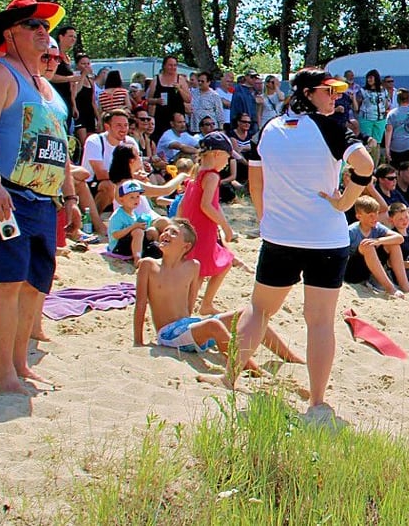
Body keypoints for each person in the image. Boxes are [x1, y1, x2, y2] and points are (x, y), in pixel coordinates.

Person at [229, 68, 373, 425]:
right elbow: (366, 165)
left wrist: (265, 218)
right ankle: (317, 402)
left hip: (281, 236)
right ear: (308, 93)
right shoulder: (330, 127)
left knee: (260, 310)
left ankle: (227, 378)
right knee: (320, 321)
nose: (335, 97)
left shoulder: (271, 128)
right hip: (326, 236)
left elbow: (255, 179)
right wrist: (344, 202)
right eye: (329, 91)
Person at [0, 0, 78, 394]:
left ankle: (21, 364)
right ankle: (5, 375)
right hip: (8, 192)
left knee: (35, 284)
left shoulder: (47, 88)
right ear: (9, 32)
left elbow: (59, 147)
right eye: (32, 25)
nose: (42, 32)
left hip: (43, 200)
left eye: (45, 26)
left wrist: (69, 197)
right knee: (9, 282)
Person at [133, 220, 298, 369]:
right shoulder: (149, 265)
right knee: (214, 325)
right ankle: (252, 369)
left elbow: (189, 306)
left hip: (190, 328)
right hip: (168, 334)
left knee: (249, 314)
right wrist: (138, 342)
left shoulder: (192, 266)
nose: (166, 234)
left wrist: (196, 331)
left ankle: (293, 359)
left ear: (186, 246)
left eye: (173, 232)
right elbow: (140, 304)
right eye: (166, 231)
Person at [177, 132, 237, 316]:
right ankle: (189, 311)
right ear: (218, 154)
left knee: (216, 265)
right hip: (202, 230)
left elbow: (183, 202)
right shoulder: (212, 176)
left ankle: (201, 306)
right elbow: (207, 205)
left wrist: (179, 223)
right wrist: (226, 227)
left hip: (192, 227)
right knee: (200, 274)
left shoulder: (197, 172)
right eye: (227, 157)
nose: (227, 163)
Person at [344, 195, 409, 298]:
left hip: (370, 270)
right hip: (353, 272)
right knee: (367, 245)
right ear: (359, 216)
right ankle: (391, 289)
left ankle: (405, 286)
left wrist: (378, 241)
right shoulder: (351, 231)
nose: (374, 218)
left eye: (376, 214)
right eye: (370, 215)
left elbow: (399, 238)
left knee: (393, 244)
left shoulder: (377, 227)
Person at [107, 180, 161, 264]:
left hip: (131, 243)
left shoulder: (134, 213)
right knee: (138, 232)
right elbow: (115, 235)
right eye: (131, 197)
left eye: (138, 196)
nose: (136, 200)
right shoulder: (118, 215)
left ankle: (149, 250)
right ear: (121, 200)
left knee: (152, 231)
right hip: (118, 248)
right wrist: (134, 227)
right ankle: (137, 259)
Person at [145, 55, 191, 143]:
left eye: (174, 65)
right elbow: (148, 99)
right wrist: (156, 101)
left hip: (177, 117)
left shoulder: (180, 79)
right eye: (170, 65)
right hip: (161, 117)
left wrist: (180, 89)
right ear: (164, 66)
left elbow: (188, 99)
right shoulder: (157, 79)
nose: (172, 67)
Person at [384, 88, 409, 166]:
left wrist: (387, 149)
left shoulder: (392, 114)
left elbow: (388, 131)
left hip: (396, 147)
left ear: (398, 99)